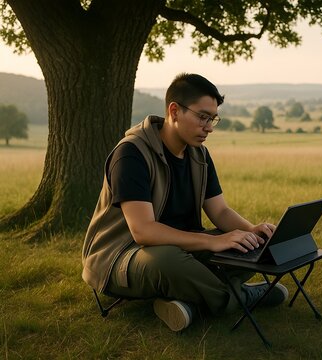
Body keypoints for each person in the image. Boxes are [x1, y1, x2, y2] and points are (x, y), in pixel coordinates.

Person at [82, 73, 288, 332]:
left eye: (212, 119)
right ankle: (244, 297)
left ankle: (187, 304)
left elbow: (220, 210)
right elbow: (143, 231)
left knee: (243, 246)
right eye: (203, 117)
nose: (209, 127)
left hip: (184, 246)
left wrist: (252, 231)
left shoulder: (198, 154)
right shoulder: (131, 154)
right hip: (123, 257)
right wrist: (213, 241)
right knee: (167, 260)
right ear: (174, 111)